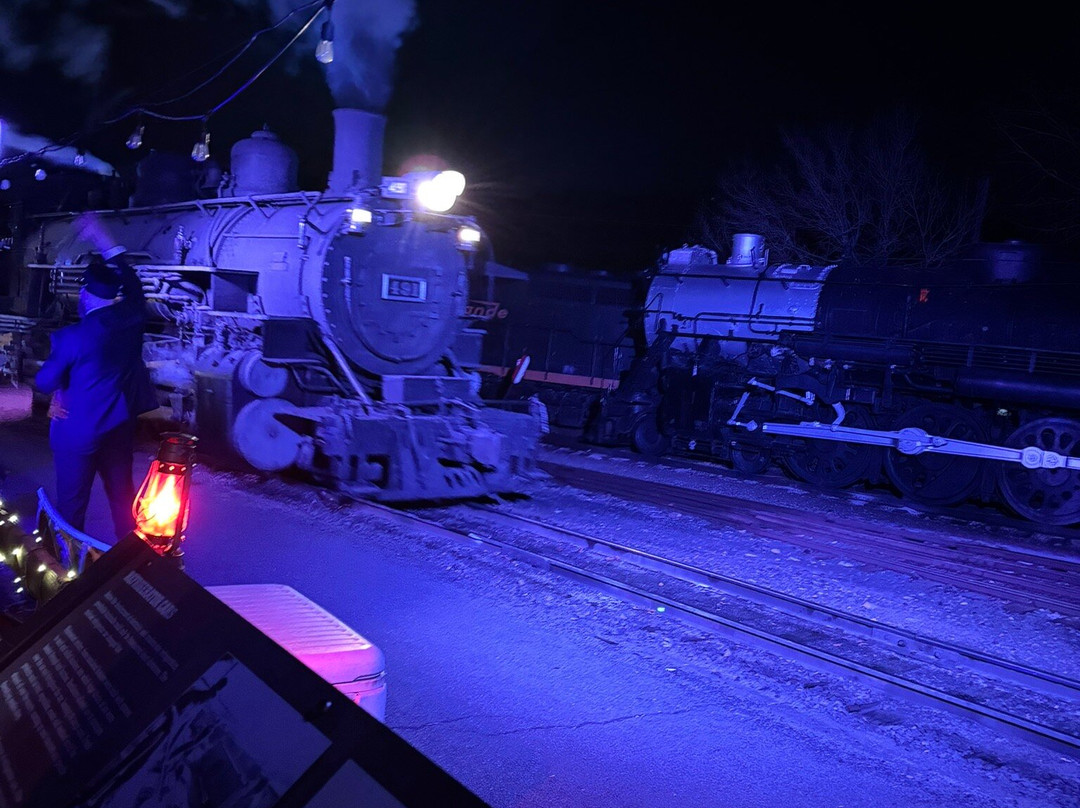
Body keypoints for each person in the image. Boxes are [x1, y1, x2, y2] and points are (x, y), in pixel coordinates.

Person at [34, 225, 157, 542]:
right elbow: (133, 286)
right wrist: (107, 243)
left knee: (72, 507)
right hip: (118, 429)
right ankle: (130, 566)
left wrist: (60, 391)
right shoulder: (132, 319)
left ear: (85, 294)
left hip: (77, 431)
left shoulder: (71, 337)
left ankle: (69, 573)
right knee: (122, 504)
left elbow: (45, 382)